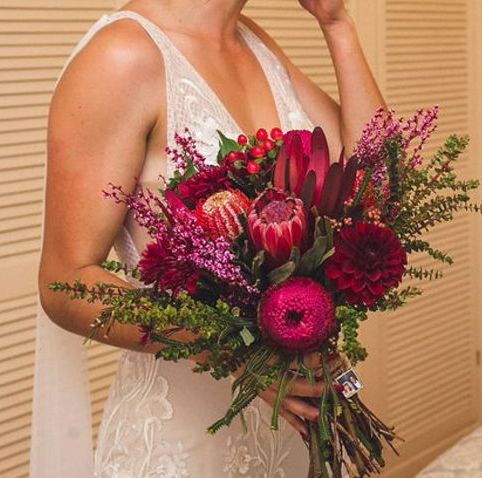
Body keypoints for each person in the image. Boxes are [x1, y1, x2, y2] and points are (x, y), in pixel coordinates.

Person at [33, 0, 386, 476]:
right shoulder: (122, 56)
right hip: (187, 443)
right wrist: (238, 347)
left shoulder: (254, 42)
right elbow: (65, 281)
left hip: (290, 437)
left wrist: (337, 24)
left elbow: (379, 185)